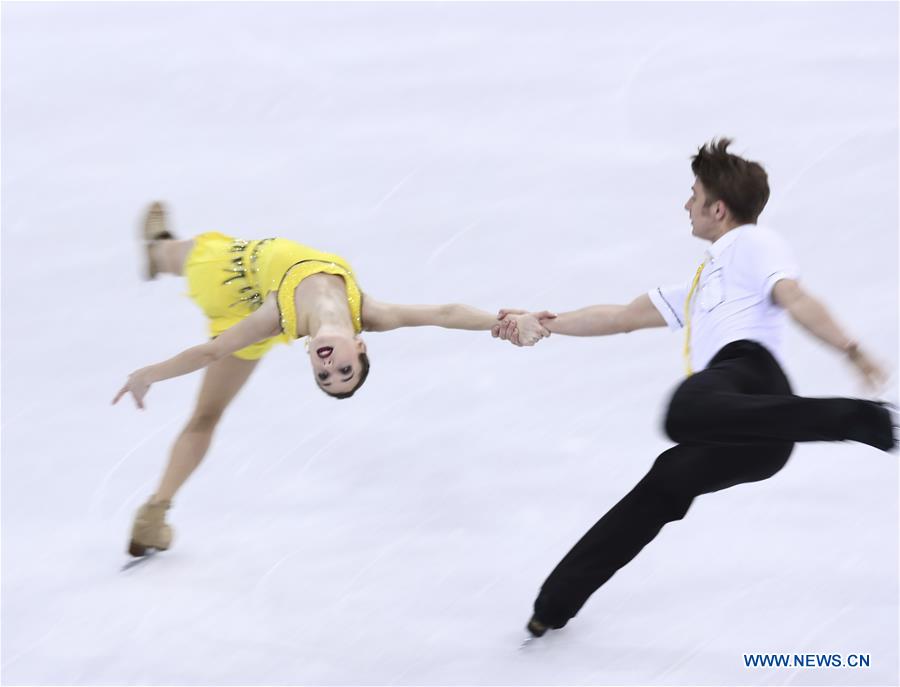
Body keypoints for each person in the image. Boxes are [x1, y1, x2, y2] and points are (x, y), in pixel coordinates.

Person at [492, 138, 896, 638]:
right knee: (665, 480)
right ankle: (554, 605)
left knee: (683, 410)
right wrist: (543, 322)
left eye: (694, 195)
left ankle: (862, 418)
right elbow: (621, 316)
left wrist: (850, 350)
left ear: (718, 209)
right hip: (757, 433)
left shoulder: (752, 245)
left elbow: (793, 296)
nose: (687, 205)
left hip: (749, 377)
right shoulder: (707, 282)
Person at [114, 202, 550, 557]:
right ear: (360, 347)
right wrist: (504, 322)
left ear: (308, 356)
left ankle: (160, 250)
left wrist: (149, 374)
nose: (329, 366)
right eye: (344, 370)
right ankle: (153, 518)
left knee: (206, 407)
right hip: (249, 291)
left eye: (323, 376)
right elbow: (444, 314)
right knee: (207, 412)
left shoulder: (276, 318)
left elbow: (212, 351)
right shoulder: (369, 313)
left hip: (227, 280)